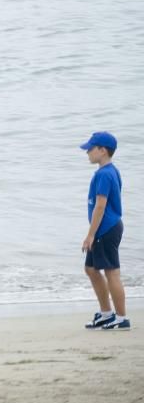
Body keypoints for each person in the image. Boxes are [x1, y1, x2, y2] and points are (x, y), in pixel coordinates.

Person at [80, 132, 129, 331]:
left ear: (103, 150)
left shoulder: (105, 174)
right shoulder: (108, 171)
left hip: (106, 228)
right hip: (104, 227)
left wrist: (90, 234)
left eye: (90, 149)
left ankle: (121, 318)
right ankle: (106, 313)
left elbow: (101, 206)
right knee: (91, 269)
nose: (87, 153)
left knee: (111, 272)